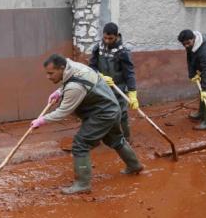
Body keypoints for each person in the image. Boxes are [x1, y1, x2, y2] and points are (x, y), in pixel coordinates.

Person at [31, 54, 143, 195]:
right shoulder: (75, 66)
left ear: (61, 68)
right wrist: (59, 91)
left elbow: (63, 112)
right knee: (115, 139)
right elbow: (68, 82)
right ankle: (135, 165)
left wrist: (42, 120)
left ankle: (82, 184)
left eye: (51, 73)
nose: (48, 77)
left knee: (80, 144)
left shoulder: (75, 87)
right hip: (112, 108)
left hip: (102, 114)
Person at [89, 22, 138, 141]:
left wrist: (132, 93)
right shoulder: (97, 48)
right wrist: (100, 75)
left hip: (118, 88)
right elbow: (92, 67)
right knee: (101, 111)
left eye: (110, 38)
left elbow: (129, 73)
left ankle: (126, 138)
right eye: (105, 37)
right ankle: (103, 136)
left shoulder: (123, 52)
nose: (107, 41)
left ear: (116, 36)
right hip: (102, 86)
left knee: (121, 114)